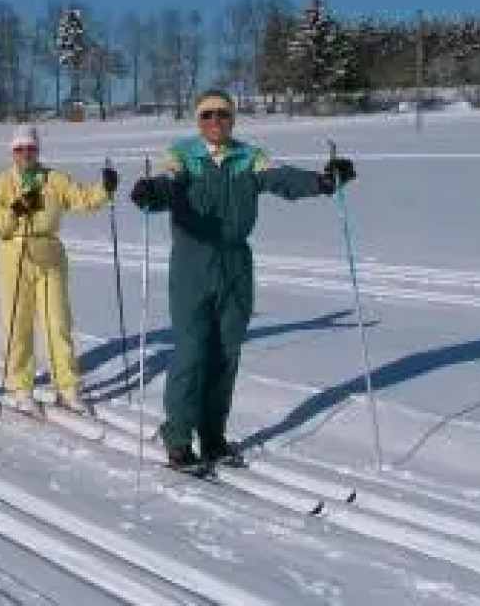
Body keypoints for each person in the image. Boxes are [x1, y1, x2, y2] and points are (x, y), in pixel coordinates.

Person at [129, 89, 355, 470]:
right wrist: (152, 192)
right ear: (198, 121)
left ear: (232, 119)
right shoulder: (181, 156)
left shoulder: (250, 157)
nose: (215, 121)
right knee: (191, 350)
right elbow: (169, 183)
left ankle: (213, 436)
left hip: (236, 263)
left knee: (226, 351)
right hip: (192, 263)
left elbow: (281, 179)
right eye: (207, 115)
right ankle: (179, 439)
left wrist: (323, 182)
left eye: (222, 114)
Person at [0, 124, 119, 416]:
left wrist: (105, 188)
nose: (25, 154)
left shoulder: (54, 179)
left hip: (49, 253)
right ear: (12, 152)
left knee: (58, 322)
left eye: (31, 148)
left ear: (38, 150)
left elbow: (82, 199)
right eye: (19, 149)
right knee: (18, 323)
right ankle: (21, 387)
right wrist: (17, 209)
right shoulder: (1, 184)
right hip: (14, 255)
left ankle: (67, 388)